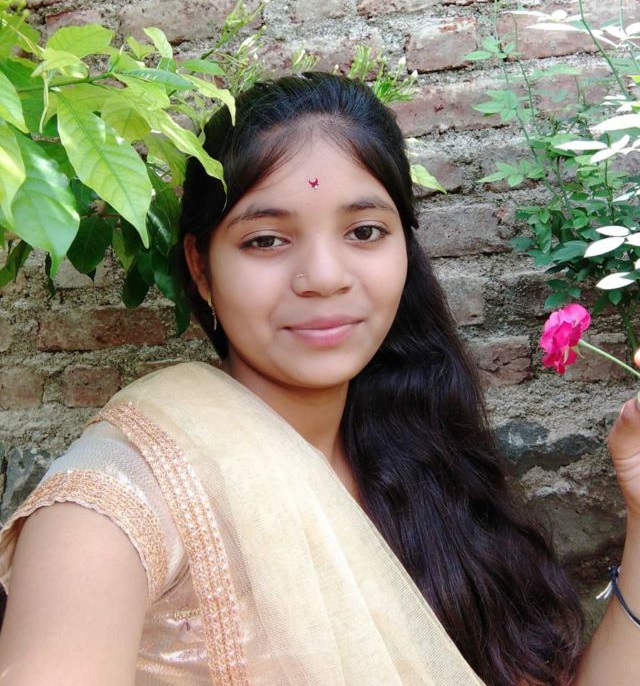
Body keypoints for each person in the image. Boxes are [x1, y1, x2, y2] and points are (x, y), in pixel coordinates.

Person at [0, 72, 638, 686]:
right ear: (200, 266)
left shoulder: (424, 467)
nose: (325, 277)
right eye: (266, 240)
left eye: (364, 231)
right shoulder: (112, 508)